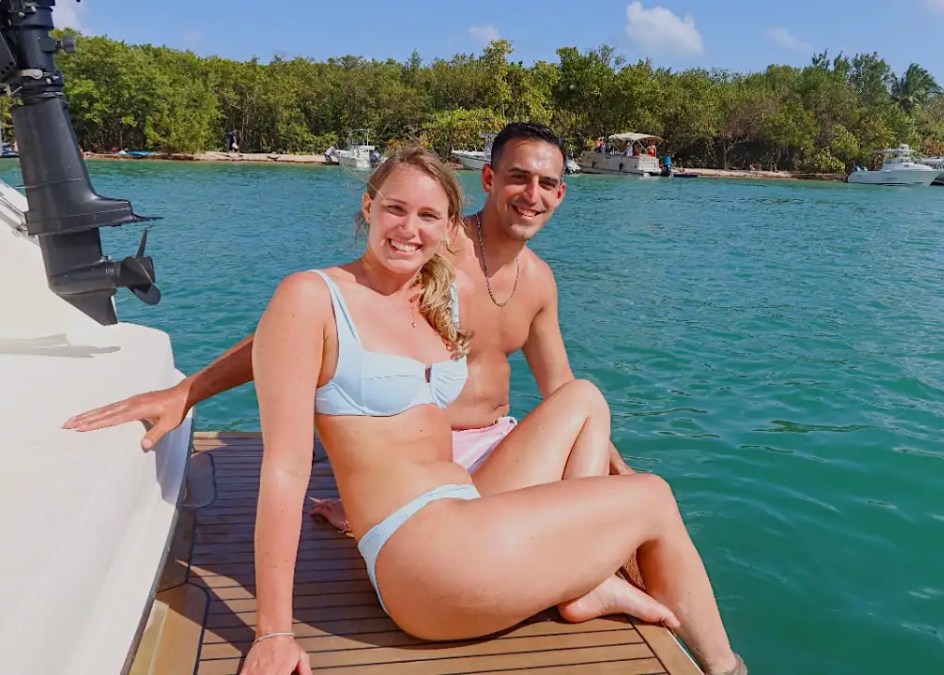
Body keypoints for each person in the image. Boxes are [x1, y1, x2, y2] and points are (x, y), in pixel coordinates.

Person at [240, 145, 745, 675]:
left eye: (428, 216)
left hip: (464, 503)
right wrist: (274, 629)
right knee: (652, 496)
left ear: (447, 227)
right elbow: (286, 467)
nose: (409, 229)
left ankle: (587, 582)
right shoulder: (311, 296)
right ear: (368, 206)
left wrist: (612, 472)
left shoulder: (426, 297)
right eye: (395, 209)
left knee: (583, 398)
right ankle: (726, 667)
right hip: (421, 558)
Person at [64, 122, 635, 534]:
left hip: (498, 442)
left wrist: (613, 459)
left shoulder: (539, 281)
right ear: (489, 178)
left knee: (621, 506)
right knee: (607, 523)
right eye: (518, 178)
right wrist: (186, 392)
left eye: (546, 184)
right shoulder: (433, 247)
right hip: (426, 458)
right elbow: (311, 328)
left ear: (561, 194)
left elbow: (561, 387)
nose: (530, 196)